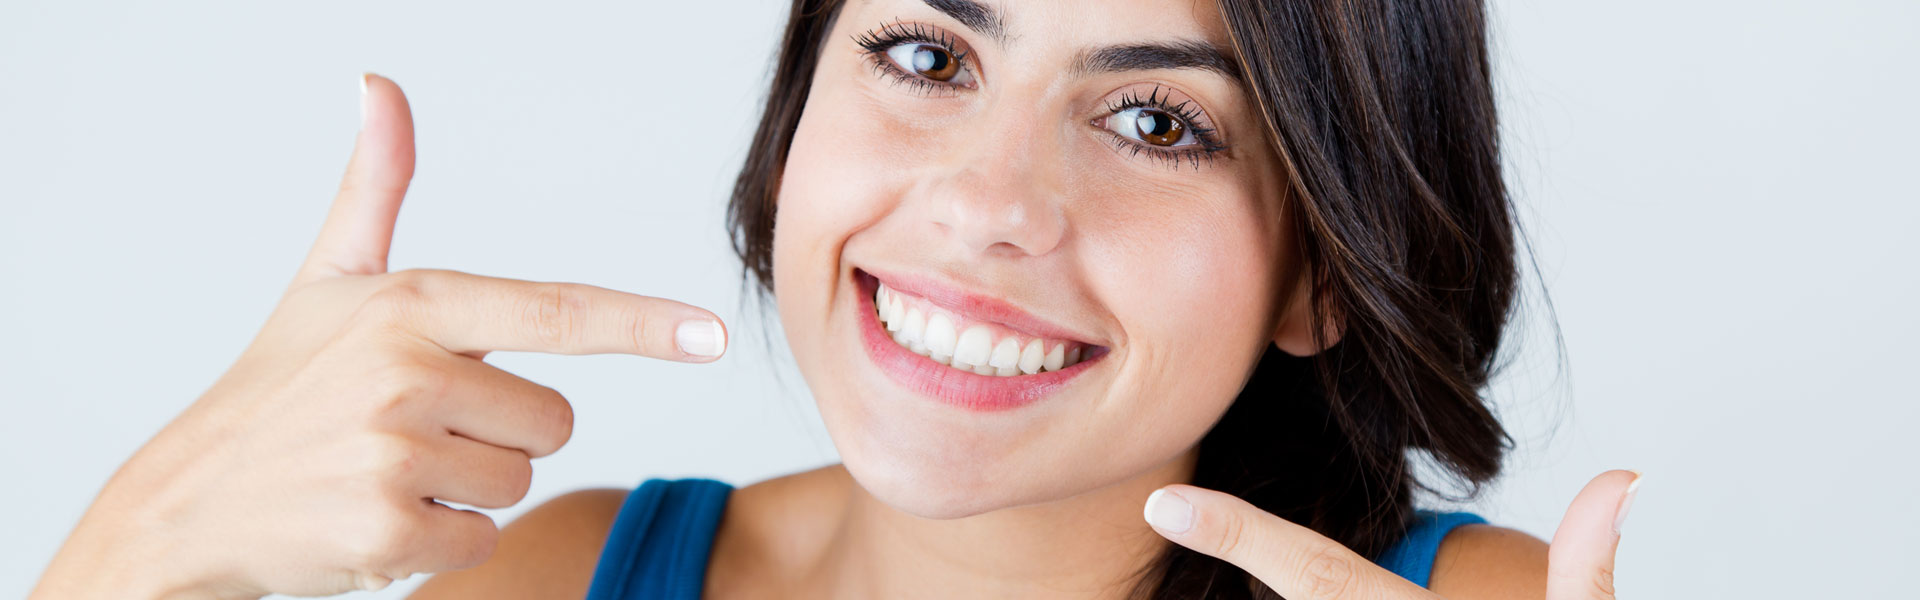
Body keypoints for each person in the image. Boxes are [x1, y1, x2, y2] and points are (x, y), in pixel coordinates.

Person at [32, 0, 1639, 598]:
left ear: (1322, 274)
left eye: (1155, 119)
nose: (989, 208)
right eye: (929, 57)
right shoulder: (561, 579)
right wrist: (145, 550)